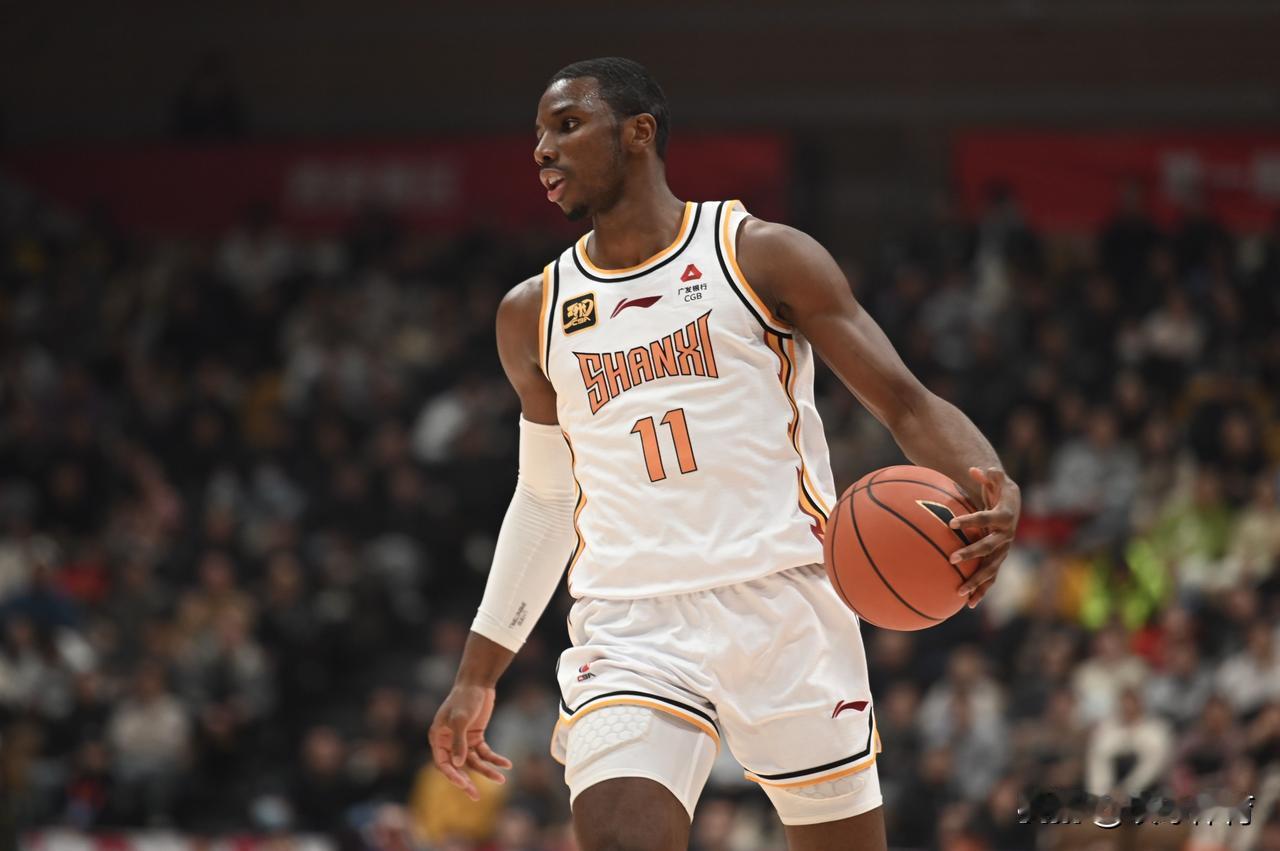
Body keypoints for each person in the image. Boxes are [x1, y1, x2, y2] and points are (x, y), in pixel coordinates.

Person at [428, 57, 1021, 851]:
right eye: (537, 133)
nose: (542, 149)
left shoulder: (759, 255)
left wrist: (992, 483)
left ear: (638, 133)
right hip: (632, 622)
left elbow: (903, 401)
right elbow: (546, 498)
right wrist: (476, 673)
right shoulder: (532, 313)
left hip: (787, 601)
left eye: (567, 126)